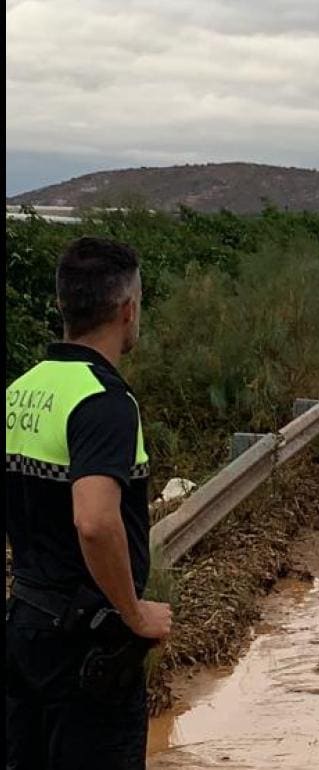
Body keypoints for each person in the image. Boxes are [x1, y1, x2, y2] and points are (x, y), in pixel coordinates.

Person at [6, 236, 172, 769]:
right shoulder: (104, 402)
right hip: (88, 651)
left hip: (24, 632)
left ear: (63, 305)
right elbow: (96, 522)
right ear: (128, 310)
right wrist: (134, 614)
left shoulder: (20, 391)